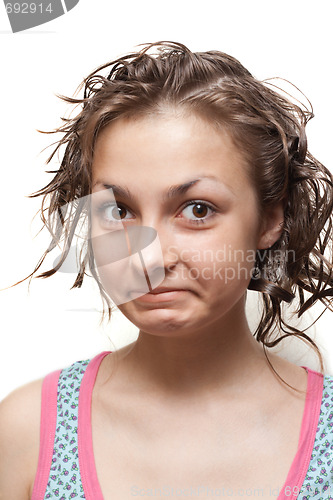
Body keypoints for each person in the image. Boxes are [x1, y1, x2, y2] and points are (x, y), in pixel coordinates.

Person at [0, 40, 333, 500]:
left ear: (270, 219)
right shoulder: (26, 431)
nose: (148, 258)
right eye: (117, 211)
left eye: (197, 209)